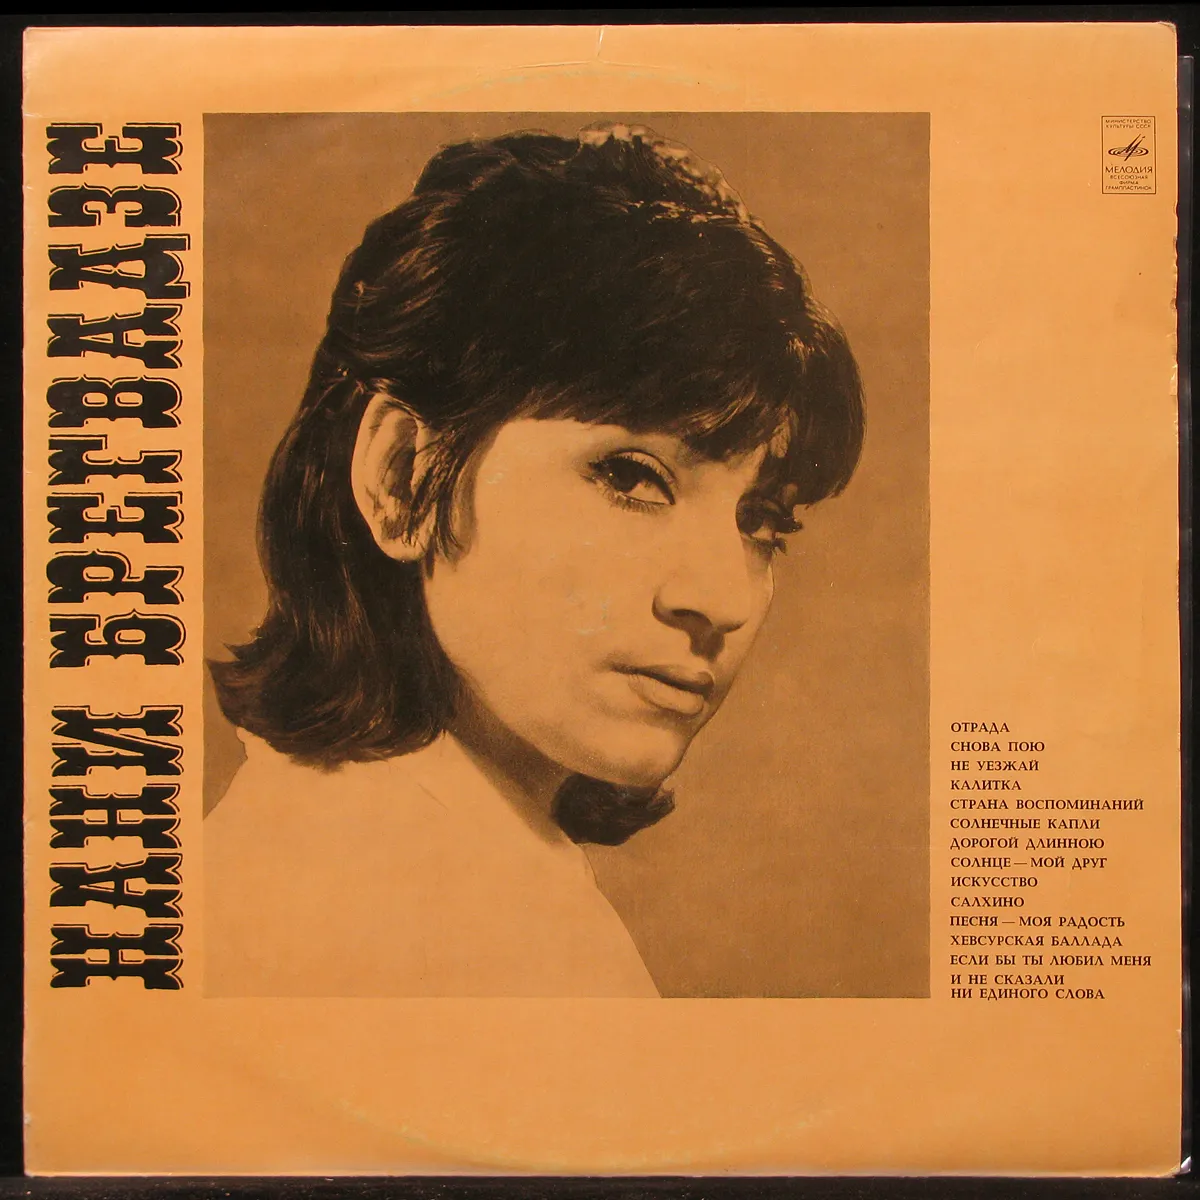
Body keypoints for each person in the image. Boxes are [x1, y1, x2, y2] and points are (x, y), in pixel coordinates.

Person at [204, 123, 865, 997]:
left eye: (762, 523)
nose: (722, 598)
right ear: (402, 477)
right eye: (632, 477)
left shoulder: (472, 869)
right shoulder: (389, 911)